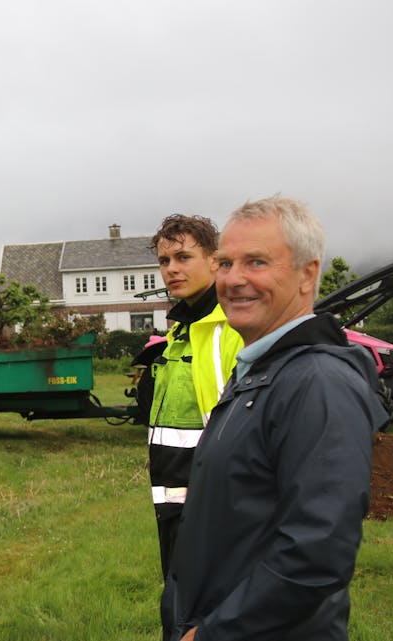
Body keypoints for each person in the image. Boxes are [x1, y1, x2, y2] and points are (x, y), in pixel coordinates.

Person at [162, 196, 389, 641]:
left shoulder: (317, 382)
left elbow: (316, 554)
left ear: (307, 274)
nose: (234, 279)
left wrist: (212, 633)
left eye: (257, 262)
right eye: (226, 263)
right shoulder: (262, 372)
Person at [146, 215, 243, 585]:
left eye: (184, 257)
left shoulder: (233, 330)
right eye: (164, 261)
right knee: (178, 608)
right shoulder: (179, 332)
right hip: (172, 507)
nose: (171, 269)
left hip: (217, 509)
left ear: (214, 261)